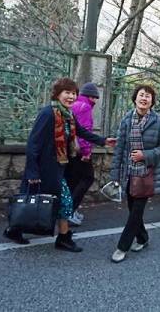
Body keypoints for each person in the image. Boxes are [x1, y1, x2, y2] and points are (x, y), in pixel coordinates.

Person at [4, 78, 115, 252]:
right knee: (59, 201)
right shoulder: (48, 113)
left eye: (74, 93)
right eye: (67, 93)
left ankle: (15, 230)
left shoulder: (68, 115)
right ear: (57, 94)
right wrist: (33, 171)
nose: (71, 97)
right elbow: (33, 143)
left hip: (59, 167)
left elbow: (81, 131)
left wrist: (103, 141)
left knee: (42, 203)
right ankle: (62, 237)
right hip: (45, 168)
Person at [109, 85, 160, 263]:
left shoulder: (158, 121)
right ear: (135, 98)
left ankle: (122, 247)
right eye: (141, 95)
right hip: (129, 173)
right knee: (133, 210)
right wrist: (115, 176)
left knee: (136, 211)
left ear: (152, 101)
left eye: (148, 96)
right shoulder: (126, 120)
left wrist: (145, 155)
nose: (144, 98)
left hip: (147, 173)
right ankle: (142, 238)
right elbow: (119, 149)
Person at [65, 82, 100, 227]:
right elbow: (85, 130)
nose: (96, 100)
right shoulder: (85, 107)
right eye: (95, 97)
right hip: (80, 151)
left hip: (69, 149)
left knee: (73, 181)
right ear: (90, 96)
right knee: (88, 178)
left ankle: (69, 210)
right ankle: (70, 212)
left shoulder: (73, 105)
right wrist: (86, 152)